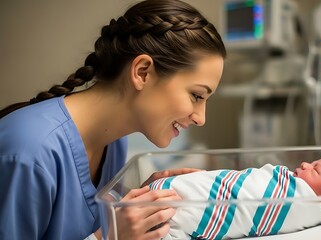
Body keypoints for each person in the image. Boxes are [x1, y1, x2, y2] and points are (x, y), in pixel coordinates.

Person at [0, 0, 226, 239]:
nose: (201, 118)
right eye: (196, 95)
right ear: (142, 72)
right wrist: (109, 237)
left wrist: (137, 202)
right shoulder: (30, 152)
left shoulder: (114, 141)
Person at [148, 155, 321, 239]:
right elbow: (240, 183)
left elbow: (244, 202)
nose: (305, 164)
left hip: (169, 212)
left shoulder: (297, 202)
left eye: (315, 169)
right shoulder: (283, 183)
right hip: (159, 197)